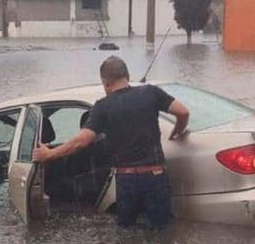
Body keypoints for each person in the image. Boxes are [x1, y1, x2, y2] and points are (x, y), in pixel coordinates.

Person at [33, 56, 190, 229]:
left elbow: (81, 142)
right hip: (155, 177)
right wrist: (177, 132)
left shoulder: (103, 107)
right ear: (127, 76)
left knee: (127, 238)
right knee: (162, 233)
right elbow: (183, 112)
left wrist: (49, 154)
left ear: (105, 82)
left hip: (127, 180)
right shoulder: (151, 92)